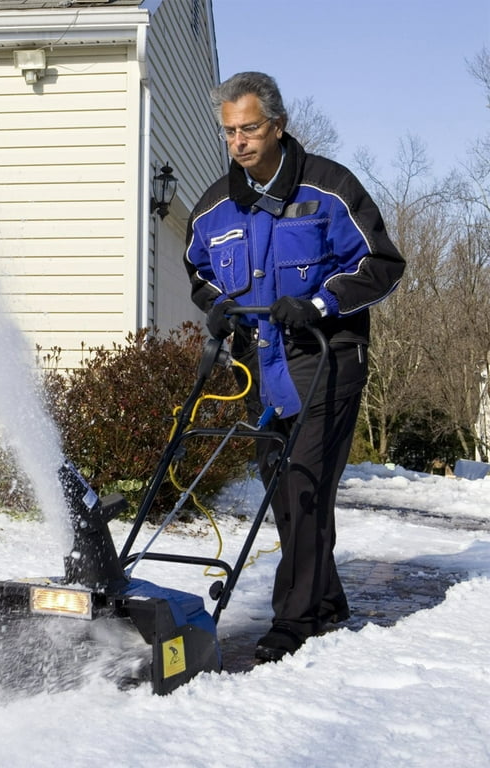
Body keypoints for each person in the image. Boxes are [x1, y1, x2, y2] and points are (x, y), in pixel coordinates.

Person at [183, 72, 405, 662]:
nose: (239, 141)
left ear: (277, 125)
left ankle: (295, 619)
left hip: (324, 356)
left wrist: (318, 303)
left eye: (250, 128)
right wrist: (220, 309)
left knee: (304, 482)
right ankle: (325, 598)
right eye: (230, 131)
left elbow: (381, 263)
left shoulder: (330, 189)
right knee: (282, 487)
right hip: (255, 361)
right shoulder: (213, 206)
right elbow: (199, 272)